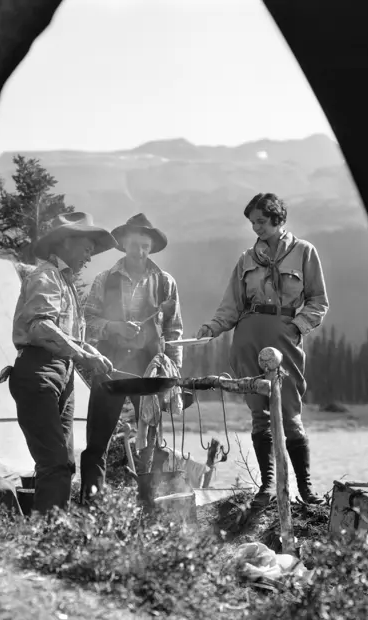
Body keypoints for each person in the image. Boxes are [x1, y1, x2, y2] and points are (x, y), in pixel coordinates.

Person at [197, 193, 329, 507]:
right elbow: (231, 306)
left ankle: (306, 490)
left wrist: (296, 327)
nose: (256, 227)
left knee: (290, 411)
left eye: (261, 221)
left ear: (277, 219)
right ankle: (267, 487)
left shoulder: (304, 252)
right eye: (252, 222)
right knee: (260, 413)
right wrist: (212, 328)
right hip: (247, 339)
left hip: (284, 339)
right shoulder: (246, 259)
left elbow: (318, 301)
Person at [7, 212, 117, 514]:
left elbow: (64, 334)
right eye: (86, 247)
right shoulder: (45, 276)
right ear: (66, 242)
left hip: (61, 376)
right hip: (39, 372)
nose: (89, 256)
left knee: (64, 465)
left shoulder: (64, 283)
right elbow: (41, 326)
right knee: (54, 463)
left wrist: (90, 351)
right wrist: (84, 355)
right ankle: (48, 541)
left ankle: (54, 536)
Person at [80, 213, 183, 502]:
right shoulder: (104, 279)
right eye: (135, 245)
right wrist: (114, 327)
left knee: (150, 443)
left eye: (145, 246)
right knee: (96, 442)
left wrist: (174, 376)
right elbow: (87, 320)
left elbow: (174, 330)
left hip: (150, 369)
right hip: (109, 364)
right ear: (124, 244)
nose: (140, 251)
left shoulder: (165, 282)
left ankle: (149, 506)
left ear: (151, 248)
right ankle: (91, 508)